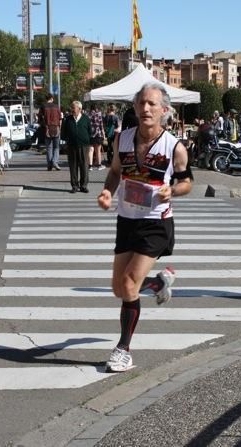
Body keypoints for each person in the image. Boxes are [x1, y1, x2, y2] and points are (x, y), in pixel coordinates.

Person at [97, 82, 193, 373]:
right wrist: (106, 192)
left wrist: (172, 191)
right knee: (119, 288)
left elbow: (187, 182)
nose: (145, 109)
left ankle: (123, 349)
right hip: (126, 219)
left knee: (128, 284)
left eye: (152, 104)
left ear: (164, 110)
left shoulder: (174, 147)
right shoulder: (121, 140)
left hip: (156, 223)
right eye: (141, 103)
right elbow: (115, 172)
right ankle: (157, 284)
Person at [61, 100, 92, 193]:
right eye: (71, 107)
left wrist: (87, 141)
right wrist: (67, 140)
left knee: (84, 166)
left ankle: (84, 186)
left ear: (79, 109)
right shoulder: (68, 119)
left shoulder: (86, 119)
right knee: (73, 166)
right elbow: (63, 132)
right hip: (71, 146)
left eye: (73, 108)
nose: (72, 109)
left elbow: (90, 132)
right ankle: (74, 186)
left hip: (84, 146)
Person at [37, 93, 62, 171]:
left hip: (47, 129)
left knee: (49, 147)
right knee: (56, 147)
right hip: (56, 128)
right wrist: (59, 128)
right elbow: (60, 118)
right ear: (52, 98)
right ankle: (55, 161)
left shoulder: (43, 106)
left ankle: (49, 165)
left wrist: (42, 125)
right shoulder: (56, 106)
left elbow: (39, 118)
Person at [89, 103, 105, 170]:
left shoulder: (88, 114)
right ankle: (99, 165)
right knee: (98, 150)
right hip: (98, 134)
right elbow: (101, 125)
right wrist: (104, 134)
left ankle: (90, 166)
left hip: (90, 134)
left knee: (91, 150)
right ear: (97, 108)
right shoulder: (99, 114)